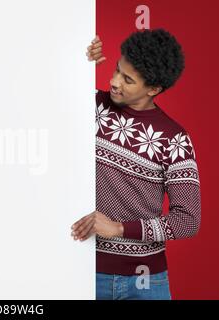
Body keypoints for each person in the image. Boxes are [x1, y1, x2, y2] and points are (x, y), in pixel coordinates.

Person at [73, 30, 201, 300]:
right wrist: (80, 64)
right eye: (117, 70)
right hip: (82, 271)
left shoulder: (174, 139)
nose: (114, 81)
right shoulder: (92, 107)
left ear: (153, 89)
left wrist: (120, 228)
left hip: (146, 283)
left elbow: (188, 221)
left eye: (128, 79)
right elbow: (46, 99)